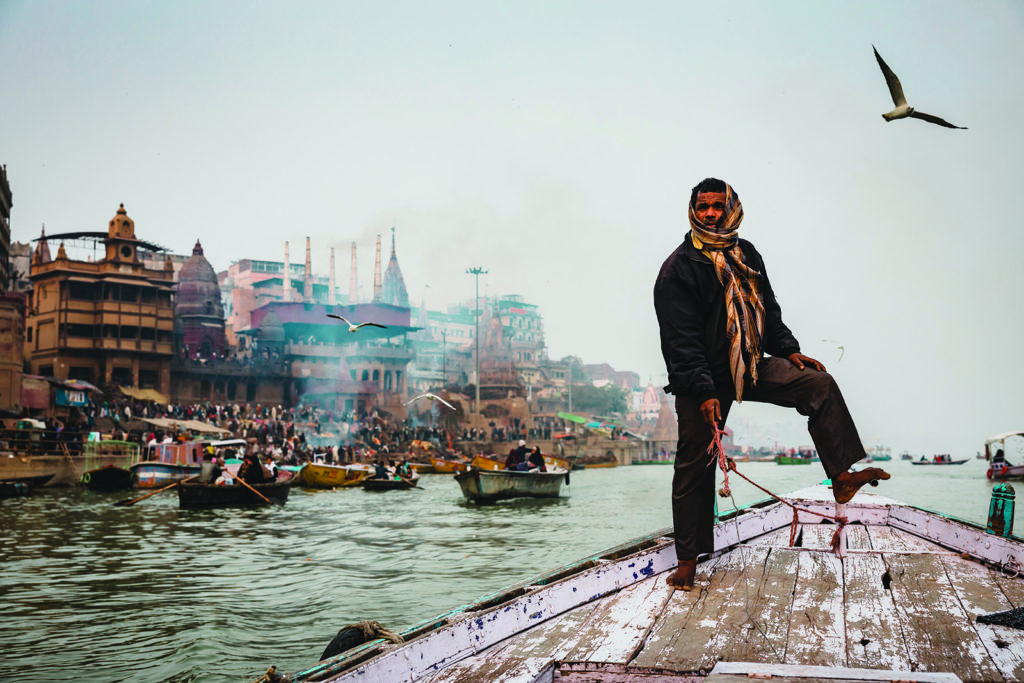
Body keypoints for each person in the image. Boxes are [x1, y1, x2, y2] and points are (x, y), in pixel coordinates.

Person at [653, 177, 890, 592]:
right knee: (695, 462)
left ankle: (841, 476)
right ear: (693, 210)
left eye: (717, 206)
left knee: (818, 383)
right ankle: (688, 561)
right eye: (703, 206)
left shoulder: (747, 253)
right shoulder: (679, 269)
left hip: (747, 362)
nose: (710, 213)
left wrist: (789, 349)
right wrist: (704, 390)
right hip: (701, 376)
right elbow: (680, 339)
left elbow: (768, 308)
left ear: (732, 208)